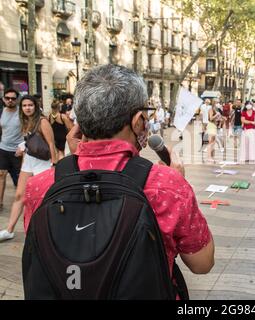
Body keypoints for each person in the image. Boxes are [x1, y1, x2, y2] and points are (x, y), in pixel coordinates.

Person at [22, 65, 214, 294]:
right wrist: (176, 182)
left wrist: (76, 166)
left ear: (81, 122)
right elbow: (202, 263)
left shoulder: (40, 186)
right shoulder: (165, 186)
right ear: (137, 121)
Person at [0, 95, 57, 242]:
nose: (27, 108)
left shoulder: (42, 121)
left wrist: (54, 165)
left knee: (42, 198)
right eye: (24, 106)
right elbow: (29, 141)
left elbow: (51, 144)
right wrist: (22, 147)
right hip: (29, 162)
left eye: (30, 105)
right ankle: (9, 229)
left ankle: (46, 229)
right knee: (19, 195)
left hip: (43, 163)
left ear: (36, 106)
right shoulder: (26, 121)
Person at [0, 88, 24, 211]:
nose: (10, 100)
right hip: (3, 150)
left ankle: (20, 202)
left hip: (18, 152)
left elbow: (30, 129)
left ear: (17, 99)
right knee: (1, 175)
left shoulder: (22, 112)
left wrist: (23, 146)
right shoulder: (1, 112)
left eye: (13, 98)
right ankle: (0, 203)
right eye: (7, 98)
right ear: (4, 99)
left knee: (19, 180)